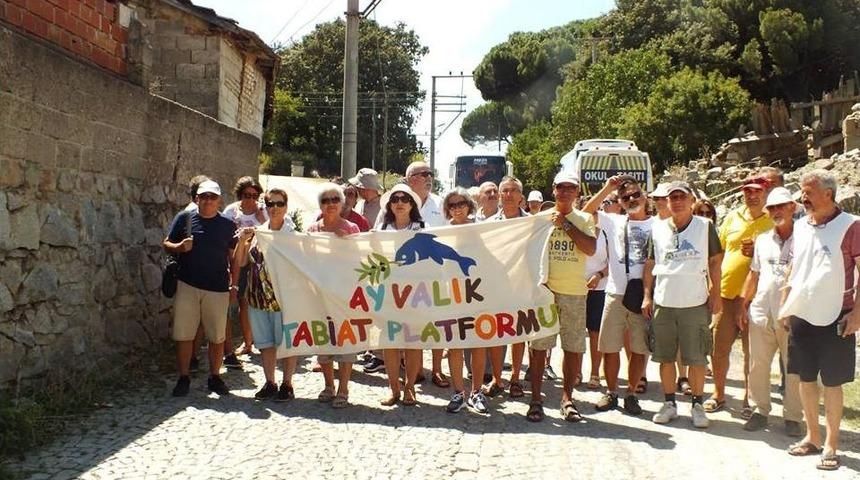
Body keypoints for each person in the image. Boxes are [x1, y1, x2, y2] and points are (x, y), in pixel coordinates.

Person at [779, 170, 860, 471]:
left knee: (834, 382)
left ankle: (832, 444)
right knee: (805, 378)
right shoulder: (800, 226)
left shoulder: (851, 226)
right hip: (802, 313)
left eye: (808, 192)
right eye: (802, 191)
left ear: (828, 193)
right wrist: (786, 305)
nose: (803, 198)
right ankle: (812, 437)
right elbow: (794, 268)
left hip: (837, 315)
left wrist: (857, 314)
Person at [642, 181, 723, 428]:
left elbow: (715, 260)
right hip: (664, 301)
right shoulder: (656, 228)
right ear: (666, 201)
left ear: (690, 200)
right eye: (672, 197)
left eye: (681, 197)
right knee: (665, 356)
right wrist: (647, 295)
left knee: (697, 357)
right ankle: (669, 403)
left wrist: (716, 292)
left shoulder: (704, 226)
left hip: (694, 300)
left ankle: (698, 405)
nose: (676, 201)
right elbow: (649, 264)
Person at [527, 171, 596, 422]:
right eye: (561, 188)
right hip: (545, 291)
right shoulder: (539, 219)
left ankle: (567, 399)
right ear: (553, 190)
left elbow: (589, 248)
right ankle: (535, 399)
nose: (565, 192)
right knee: (538, 346)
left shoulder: (585, 218)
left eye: (571, 188)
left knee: (573, 347)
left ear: (577, 192)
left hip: (575, 292)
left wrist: (565, 225)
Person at [582, 175, 653, 415]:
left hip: (642, 295)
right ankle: (611, 392)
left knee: (639, 349)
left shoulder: (657, 225)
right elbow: (586, 210)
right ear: (620, 202)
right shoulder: (613, 221)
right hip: (614, 293)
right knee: (609, 347)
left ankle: (631, 393)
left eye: (635, 195)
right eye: (626, 197)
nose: (631, 199)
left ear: (644, 196)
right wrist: (607, 188)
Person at [706, 176, 773, 417]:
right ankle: (719, 394)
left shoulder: (773, 220)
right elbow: (718, 254)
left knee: (752, 353)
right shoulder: (733, 217)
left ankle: (748, 399)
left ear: (766, 193)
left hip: (757, 298)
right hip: (726, 293)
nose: (751, 196)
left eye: (757, 192)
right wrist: (712, 287)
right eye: (747, 192)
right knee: (718, 348)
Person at [164, 180, 237, 397]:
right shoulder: (184, 219)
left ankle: (215, 376)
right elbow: (167, 242)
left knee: (216, 336)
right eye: (203, 196)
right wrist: (179, 247)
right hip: (187, 284)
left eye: (212, 197)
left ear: (219, 201)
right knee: (184, 334)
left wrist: (234, 284)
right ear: (197, 199)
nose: (207, 200)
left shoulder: (227, 225)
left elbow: (233, 258)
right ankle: (184, 377)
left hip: (217, 287)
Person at [739, 187, 802, 436]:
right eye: (772, 208)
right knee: (758, 365)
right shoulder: (763, 239)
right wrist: (743, 306)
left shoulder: (806, 238)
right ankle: (760, 410)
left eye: (781, 206)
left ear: (792, 208)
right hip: (761, 310)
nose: (776, 211)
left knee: (793, 367)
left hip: (792, 313)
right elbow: (755, 274)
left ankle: (793, 416)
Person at [233, 188, 300, 402]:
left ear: (286, 207)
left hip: (284, 298)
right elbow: (241, 262)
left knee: (287, 342)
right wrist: (243, 241)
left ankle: (287, 383)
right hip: (258, 297)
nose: (275, 208)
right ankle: (270, 381)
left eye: (279, 204)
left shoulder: (293, 236)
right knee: (265, 343)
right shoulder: (258, 232)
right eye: (270, 204)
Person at [306, 183, 361, 408]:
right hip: (319, 296)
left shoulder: (353, 229)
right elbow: (305, 261)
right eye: (326, 200)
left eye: (334, 200)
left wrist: (346, 242)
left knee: (346, 342)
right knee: (323, 340)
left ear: (341, 204)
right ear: (320, 204)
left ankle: (344, 388)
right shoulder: (312, 231)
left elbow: (361, 260)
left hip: (345, 296)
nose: (330, 204)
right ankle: (329, 385)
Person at [439, 188, 491, 413]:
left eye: (461, 203)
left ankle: (477, 392)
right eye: (452, 204)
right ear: (447, 209)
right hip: (452, 295)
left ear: (469, 205)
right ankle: (458, 393)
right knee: (455, 346)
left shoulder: (480, 229)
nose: (457, 207)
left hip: (477, 293)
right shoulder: (442, 232)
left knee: (478, 344)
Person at [376, 184, 426, 406]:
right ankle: (393, 388)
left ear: (412, 204)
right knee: (390, 341)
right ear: (389, 204)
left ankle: (410, 387)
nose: (399, 202)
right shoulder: (381, 229)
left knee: (413, 342)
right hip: (388, 293)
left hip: (416, 294)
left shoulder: (423, 228)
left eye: (404, 199)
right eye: (395, 199)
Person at [485, 176, 532, 399]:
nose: (509, 194)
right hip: (496, 285)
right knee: (497, 333)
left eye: (514, 190)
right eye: (505, 191)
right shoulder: (489, 224)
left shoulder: (533, 223)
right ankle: (497, 378)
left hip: (522, 284)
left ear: (521, 196)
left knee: (518, 333)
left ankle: (514, 378)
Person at [222, 176, 268, 365]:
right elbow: (224, 235)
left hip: (258, 262)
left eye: (255, 195)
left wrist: (261, 221)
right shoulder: (231, 211)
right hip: (236, 261)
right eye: (247, 195)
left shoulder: (263, 212)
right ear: (240, 194)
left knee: (255, 304)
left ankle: (257, 341)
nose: (251, 199)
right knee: (240, 302)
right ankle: (244, 343)